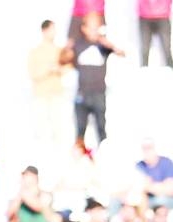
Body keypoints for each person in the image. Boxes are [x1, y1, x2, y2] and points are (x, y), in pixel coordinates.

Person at [61, 12, 125, 148]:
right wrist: (67, 48)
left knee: (101, 128)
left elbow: (122, 54)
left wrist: (109, 44)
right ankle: (80, 156)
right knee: (80, 130)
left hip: (99, 93)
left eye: (97, 27)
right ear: (84, 28)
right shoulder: (78, 44)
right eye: (91, 27)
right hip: (82, 93)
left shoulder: (102, 45)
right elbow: (63, 60)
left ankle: (104, 153)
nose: (94, 31)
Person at [28, 20, 66, 152]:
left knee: (58, 129)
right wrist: (48, 69)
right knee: (41, 129)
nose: (54, 32)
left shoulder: (60, 51)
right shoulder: (35, 52)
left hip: (56, 94)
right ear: (44, 31)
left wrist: (58, 69)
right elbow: (33, 74)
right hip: (41, 95)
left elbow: (66, 68)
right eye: (52, 29)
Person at [139, 0, 172, 67]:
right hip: (145, 16)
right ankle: (143, 70)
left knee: (167, 50)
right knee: (145, 50)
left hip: (163, 15)